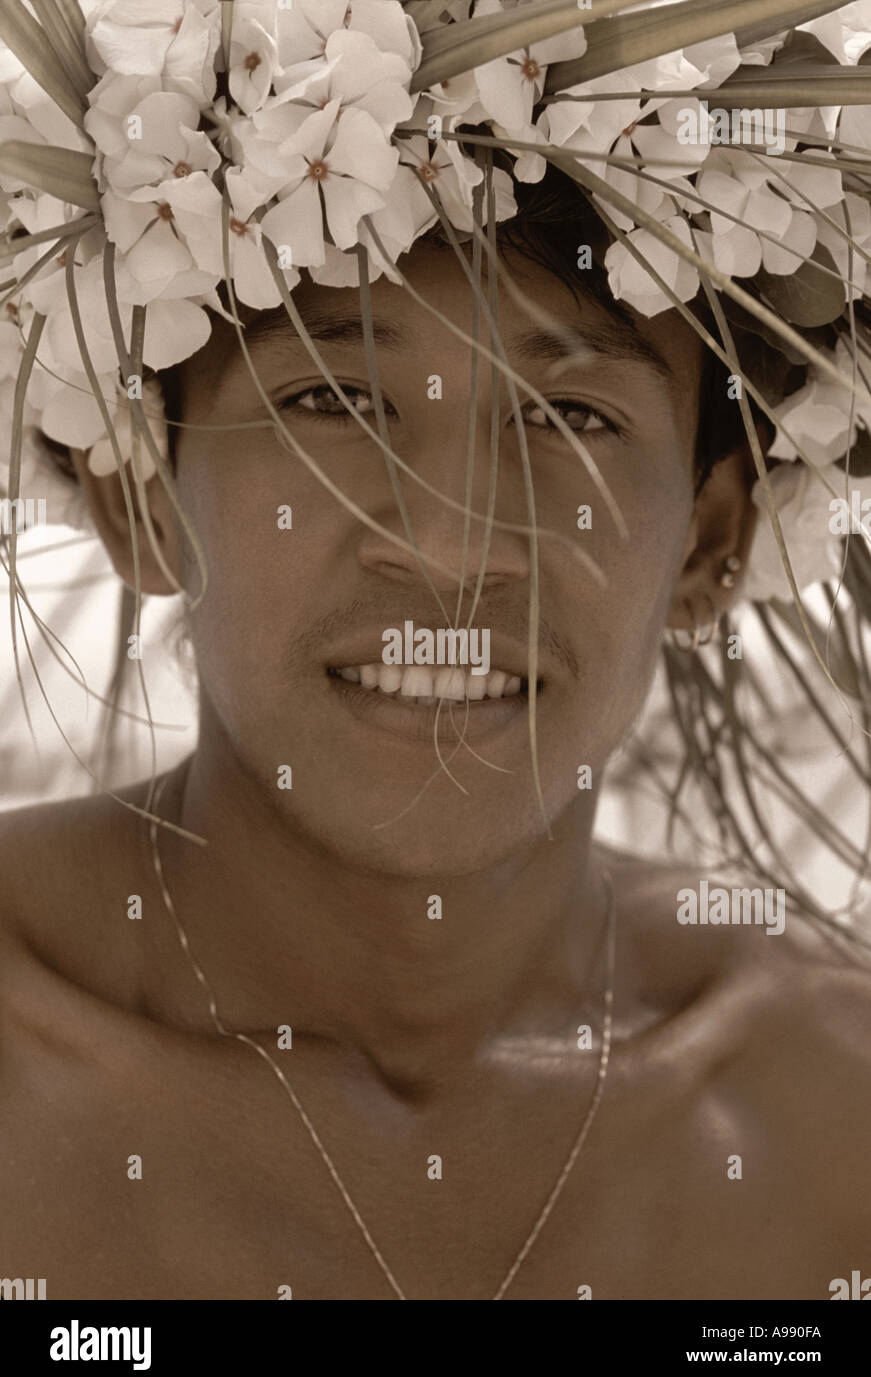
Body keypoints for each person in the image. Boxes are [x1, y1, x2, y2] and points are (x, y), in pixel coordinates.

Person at [1, 0, 870, 1301]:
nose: (454, 549)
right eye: (332, 400)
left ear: (709, 542)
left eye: (568, 412)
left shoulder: (830, 1120)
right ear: (139, 491)